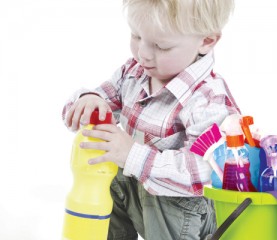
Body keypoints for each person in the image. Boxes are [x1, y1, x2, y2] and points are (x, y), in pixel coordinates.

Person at [62, 0, 240, 239]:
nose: (142, 53)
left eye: (161, 46)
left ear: (206, 41)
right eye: (136, 36)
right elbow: (100, 100)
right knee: (107, 167)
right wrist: (89, 101)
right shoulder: (135, 72)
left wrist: (132, 155)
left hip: (186, 212)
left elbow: (203, 172)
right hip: (139, 194)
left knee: (161, 187)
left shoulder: (208, 99)